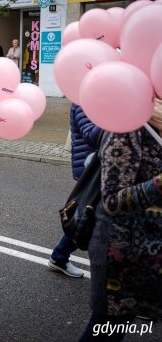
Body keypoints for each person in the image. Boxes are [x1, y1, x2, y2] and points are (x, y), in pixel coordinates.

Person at [78, 99, 162, 341]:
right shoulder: (129, 123)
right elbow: (113, 201)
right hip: (122, 252)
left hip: (152, 247)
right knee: (107, 330)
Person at [48, 103, 102, 278]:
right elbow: (91, 135)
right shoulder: (83, 102)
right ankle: (59, 257)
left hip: (99, 166)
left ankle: (60, 256)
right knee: (86, 217)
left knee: (91, 216)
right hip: (90, 168)